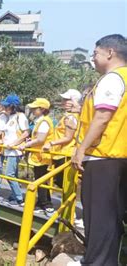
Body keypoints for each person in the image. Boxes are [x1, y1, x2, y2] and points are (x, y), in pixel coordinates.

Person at [71, 34, 127, 266]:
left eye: (95, 54)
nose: (93, 59)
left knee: (99, 217)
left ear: (110, 53)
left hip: (103, 156)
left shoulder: (112, 79)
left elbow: (102, 117)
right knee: (110, 217)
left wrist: (81, 150)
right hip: (118, 157)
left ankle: (97, 262)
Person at [19, 98, 54, 213]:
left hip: (42, 156)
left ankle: (45, 204)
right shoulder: (40, 121)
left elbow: (40, 139)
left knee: (41, 180)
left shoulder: (44, 122)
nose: (33, 110)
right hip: (38, 156)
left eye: (35, 108)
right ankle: (42, 202)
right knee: (40, 179)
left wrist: (26, 144)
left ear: (42, 109)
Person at [42, 89, 82, 188]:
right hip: (61, 153)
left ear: (73, 102)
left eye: (66, 99)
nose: (63, 102)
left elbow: (68, 137)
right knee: (63, 183)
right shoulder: (68, 116)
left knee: (65, 183)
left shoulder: (71, 117)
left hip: (65, 154)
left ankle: (68, 202)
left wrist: (51, 143)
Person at [0, 94, 29, 206]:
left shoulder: (20, 116)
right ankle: (13, 195)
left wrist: (13, 144)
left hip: (15, 151)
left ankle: (19, 198)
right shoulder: (10, 117)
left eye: (7, 106)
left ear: (13, 106)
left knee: (9, 174)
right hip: (8, 150)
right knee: (13, 174)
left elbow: (26, 132)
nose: (5, 108)